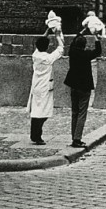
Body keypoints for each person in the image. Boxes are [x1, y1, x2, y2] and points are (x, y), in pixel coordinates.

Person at [27, 11, 65, 145]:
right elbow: (61, 49)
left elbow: (40, 42)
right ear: (47, 47)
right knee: (42, 112)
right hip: (44, 86)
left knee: (36, 110)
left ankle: (34, 134)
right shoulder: (48, 58)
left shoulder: (35, 55)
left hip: (36, 85)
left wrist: (47, 31)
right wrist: (57, 35)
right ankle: (37, 135)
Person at [64, 28, 102, 148]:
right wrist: (95, 36)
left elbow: (73, 42)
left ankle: (73, 137)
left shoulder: (72, 52)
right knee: (82, 113)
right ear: (85, 45)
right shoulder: (87, 54)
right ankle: (77, 138)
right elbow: (98, 51)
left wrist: (82, 30)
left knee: (74, 112)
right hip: (84, 86)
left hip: (73, 85)